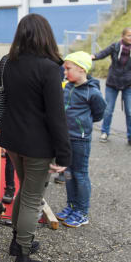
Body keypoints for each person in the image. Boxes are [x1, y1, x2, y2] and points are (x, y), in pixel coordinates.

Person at [0, 13, 70, 262]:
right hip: (38, 145)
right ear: (46, 35)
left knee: (25, 191)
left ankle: (17, 242)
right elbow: (56, 115)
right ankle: (22, 258)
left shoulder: (10, 63)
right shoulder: (49, 67)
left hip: (13, 139)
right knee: (33, 197)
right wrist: (64, 155)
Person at [55, 52, 106, 228]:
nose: (65, 72)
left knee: (80, 174)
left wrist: (83, 124)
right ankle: (71, 206)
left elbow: (99, 113)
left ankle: (82, 212)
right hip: (66, 137)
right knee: (68, 173)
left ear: (82, 69)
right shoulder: (67, 86)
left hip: (80, 139)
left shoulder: (93, 92)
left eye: (68, 69)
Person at [92, 27, 131, 147]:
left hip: (129, 85)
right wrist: (92, 56)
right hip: (113, 83)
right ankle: (105, 132)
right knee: (108, 110)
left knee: (130, 112)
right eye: (128, 35)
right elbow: (102, 54)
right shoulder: (115, 47)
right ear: (122, 36)